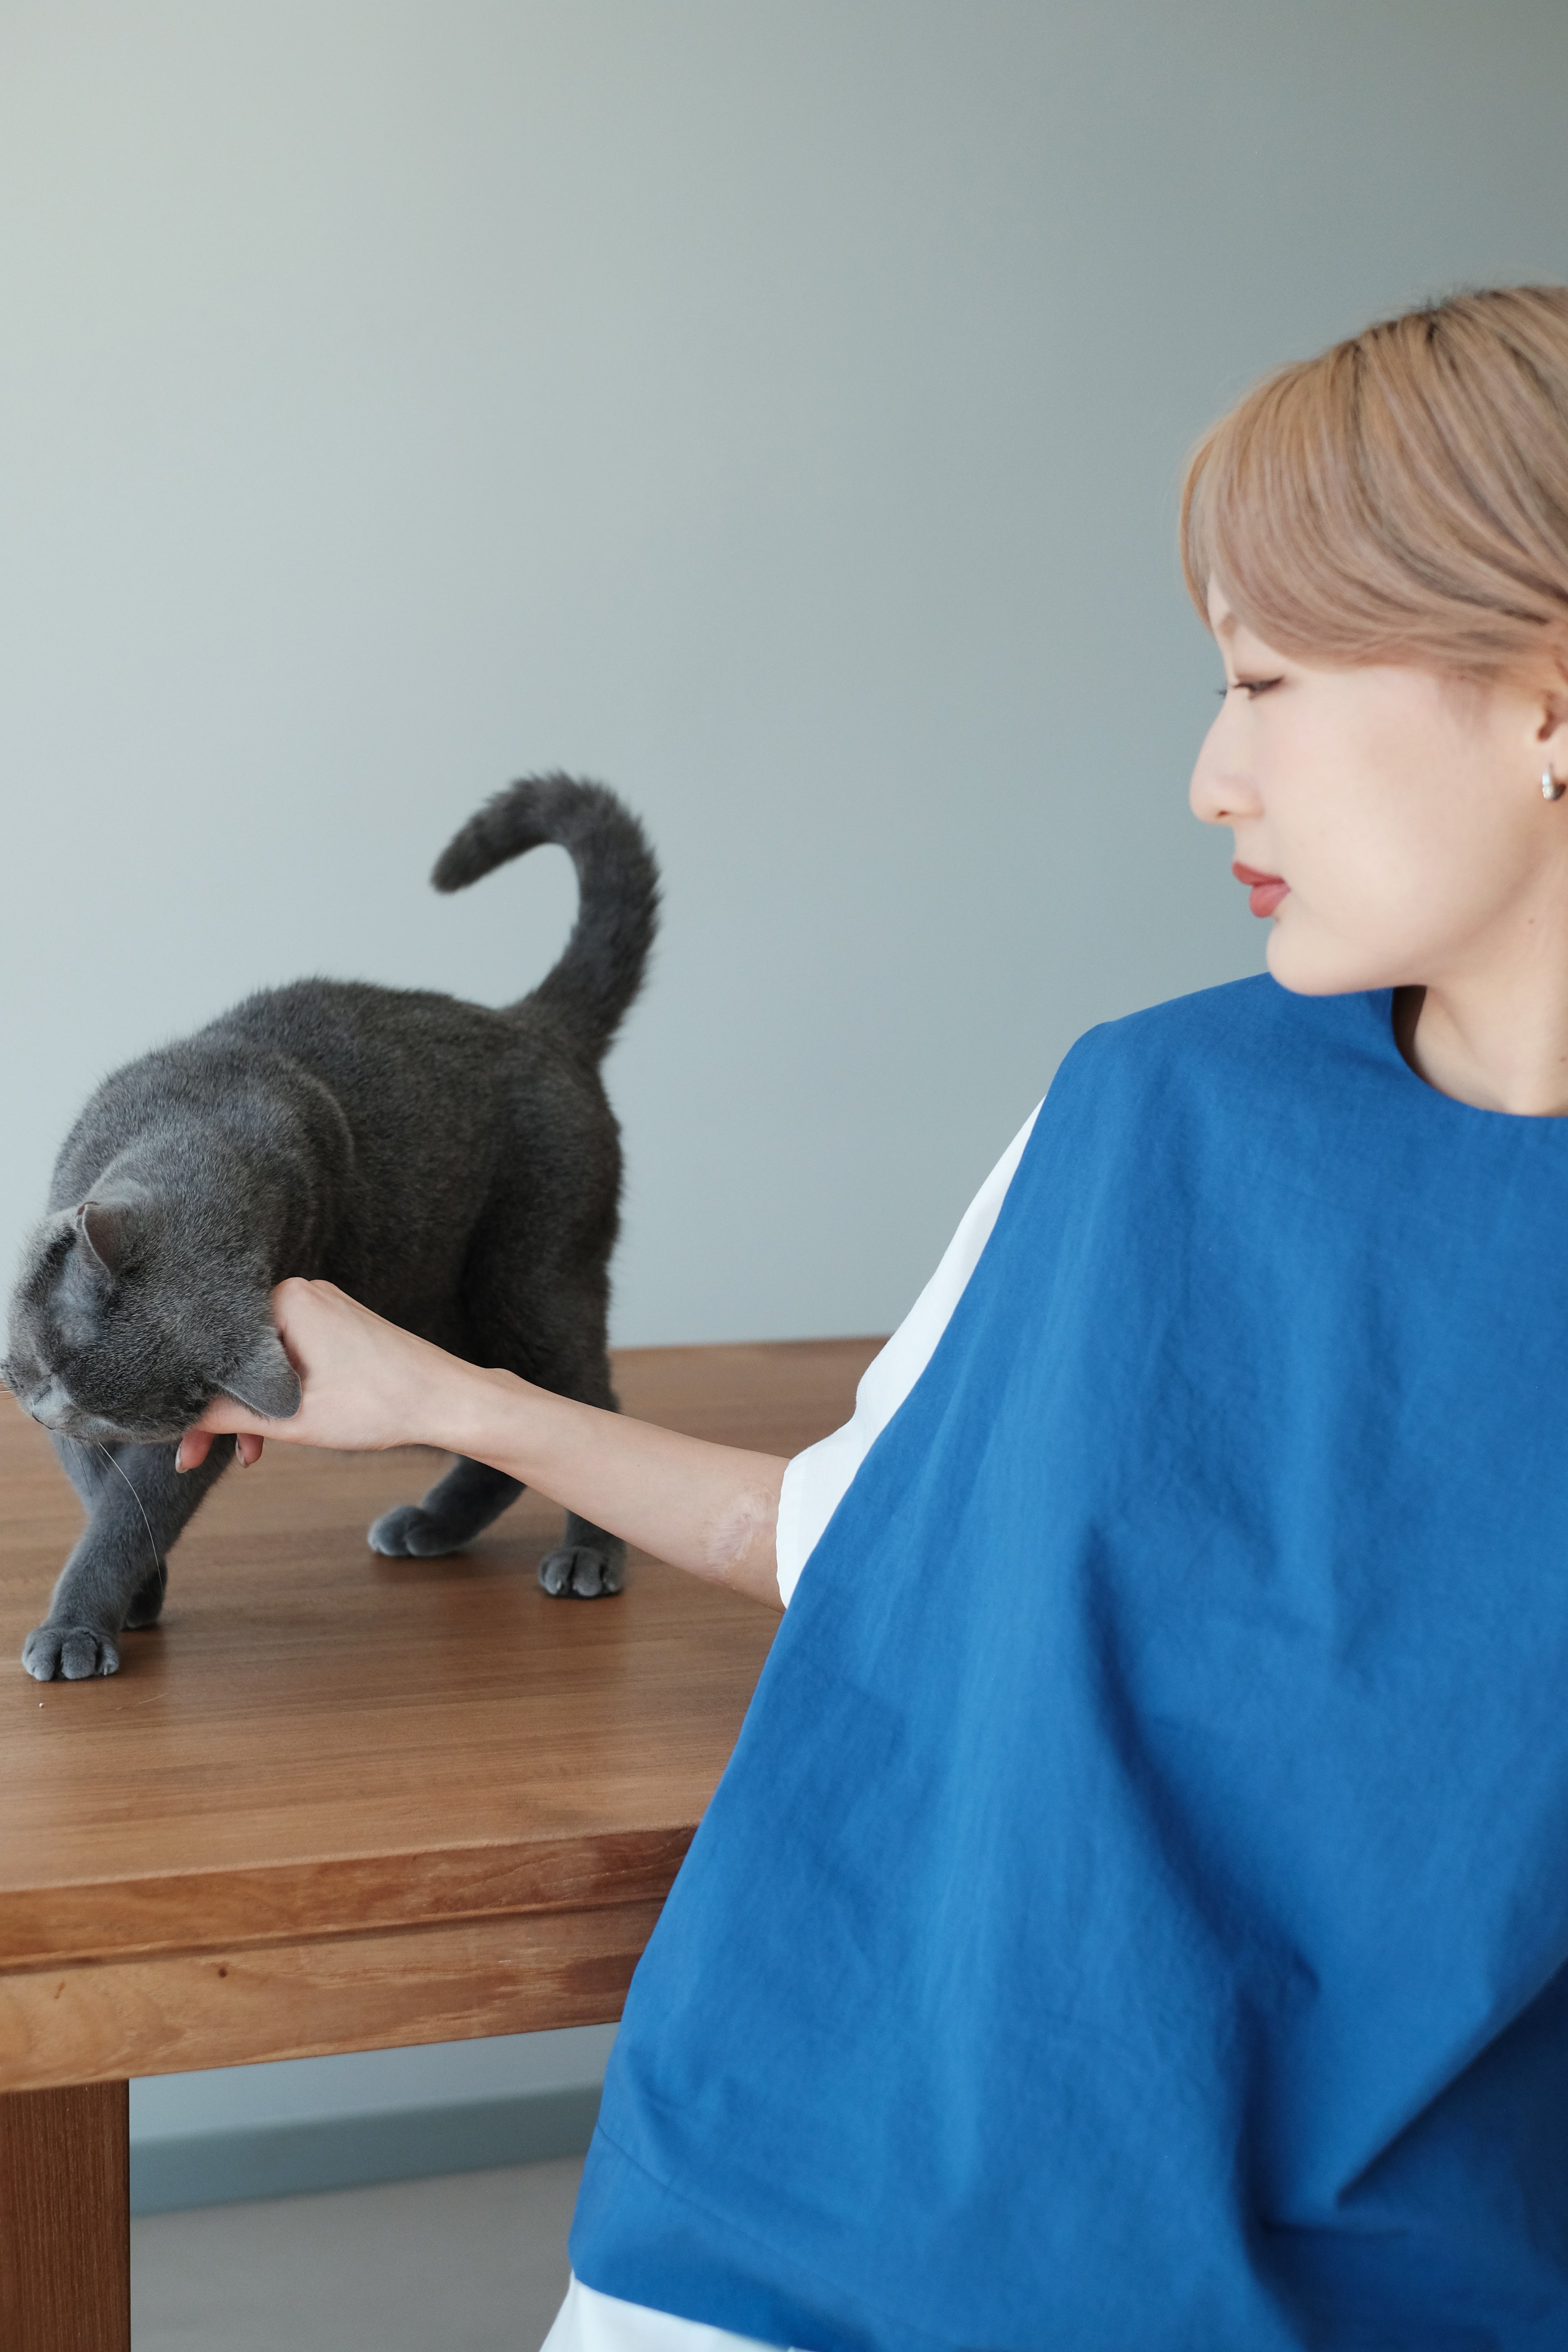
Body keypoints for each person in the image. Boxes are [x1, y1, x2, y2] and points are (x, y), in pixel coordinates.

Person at [182, 285, 1568, 2349]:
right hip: (803, 2191)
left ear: (1547, 696)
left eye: (1267, 682)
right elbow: (858, 1535)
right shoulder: (1145, 1106)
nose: (1213, 777)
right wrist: (449, 1398)